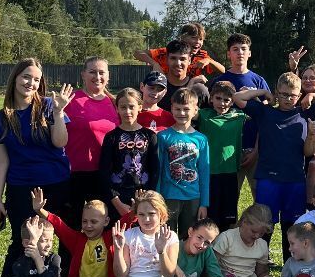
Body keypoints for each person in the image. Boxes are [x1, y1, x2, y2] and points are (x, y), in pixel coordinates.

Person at [0, 59, 74, 277]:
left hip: (58, 185)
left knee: (66, 240)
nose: (31, 83)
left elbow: (60, 143)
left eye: (36, 79)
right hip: (21, 188)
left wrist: (59, 112)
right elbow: (2, 161)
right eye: (26, 77)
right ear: (15, 78)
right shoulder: (0, 119)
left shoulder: (48, 106)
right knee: (22, 242)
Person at [233, 73, 309, 258]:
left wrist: (313, 95)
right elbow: (237, 97)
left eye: (292, 95)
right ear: (277, 93)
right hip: (269, 179)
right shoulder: (265, 112)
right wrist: (263, 92)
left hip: (294, 180)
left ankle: (291, 266)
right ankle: (260, 264)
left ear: (299, 95)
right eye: (283, 94)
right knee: (265, 225)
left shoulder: (304, 113)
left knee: (292, 227)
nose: (288, 99)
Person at [31, 187, 116, 277]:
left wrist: (135, 210)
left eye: (94, 221)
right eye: (84, 221)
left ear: (106, 221)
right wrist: (40, 210)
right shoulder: (76, 240)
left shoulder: (110, 237)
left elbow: (127, 221)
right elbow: (59, 224)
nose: (88, 226)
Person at [208, 33, 271, 195]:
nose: (240, 53)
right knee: (229, 197)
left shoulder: (258, 81)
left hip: (255, 148)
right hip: (227, 150)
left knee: (261, 197)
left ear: (249, 53)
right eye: (235, 49)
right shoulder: (219, 81)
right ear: (229, 54)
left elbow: (266, 117)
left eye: (243, 49)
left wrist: (256, 150)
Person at [63, 56, 118, 222]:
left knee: (102, 224)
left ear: (108, 75)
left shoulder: (115, 103)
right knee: (72, 224)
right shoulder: (70, 100)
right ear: (83, 74)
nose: (97, 77)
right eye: (92, 72)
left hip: (105, 174)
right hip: (74, 174)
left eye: (102, 72)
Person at [156, 88, 210, 238]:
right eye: (177, 109)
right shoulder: (163, 136)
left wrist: (204, 203)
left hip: (193, 197)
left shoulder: (201, 139)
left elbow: (204, 172)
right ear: (171, 109)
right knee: (167, 237)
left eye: (186, 109)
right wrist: (157, 199)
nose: (181, 113)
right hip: (168, 196)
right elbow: (158, 170)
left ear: (195, 110)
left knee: (188, 238)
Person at [99, 87, 159, 220]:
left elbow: (155, 170)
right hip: (117, 198)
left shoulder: (150, 136)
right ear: (117, 109)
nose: (127, 111)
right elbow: (104, 171)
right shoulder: (111, 137)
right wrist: (116, 202)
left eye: (131, 107)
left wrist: (146, 198)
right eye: (123, 107)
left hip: (143, 196)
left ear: (140, 107)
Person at [212, 202, 277, 277]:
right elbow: (211, 267)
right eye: (254, 231)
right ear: (244, 222)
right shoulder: (226, 238)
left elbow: (261, 272)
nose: (257, 236)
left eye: (261, 233)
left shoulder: (262, 244)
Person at [196, 80, 246, 230]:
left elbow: (261, 108)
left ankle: (224, 243)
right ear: (211, 98)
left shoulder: (239, 116)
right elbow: (186, 106)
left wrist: (249, 93)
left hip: (230, 171)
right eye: (218, 98)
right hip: (209, 172)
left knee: (228, 217)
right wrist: (192, 83)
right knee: (210, 216)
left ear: (233, 101)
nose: (222, 103)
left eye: (227, 99)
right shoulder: (204, 115)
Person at [135, 22, 224, 81]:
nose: (198, 42)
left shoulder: (202, 55)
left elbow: (223, 70)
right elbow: (137, 53)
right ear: (183, 38)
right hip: (166, 87)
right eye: (194, 38)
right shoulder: (169, 51)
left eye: (200, 39)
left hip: (190, 91)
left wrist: (209, 61)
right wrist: (155, 64)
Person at [156, 39, 210, 112]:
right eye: (173, 58)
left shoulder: (199, 90)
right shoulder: (156, 88)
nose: (178, 63)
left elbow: (209, 117)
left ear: (189, 60)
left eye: (182, 59)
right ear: (167, 59)